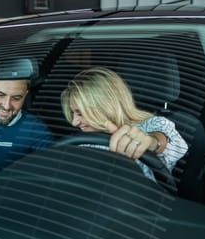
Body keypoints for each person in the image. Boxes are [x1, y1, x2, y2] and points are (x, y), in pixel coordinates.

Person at [60, 66, 188, 182]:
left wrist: (151, 142)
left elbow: (173, 144)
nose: (74, 122)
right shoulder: (80, 140)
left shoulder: (152, 125)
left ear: (105, 106)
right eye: (73, 113)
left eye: (80, 113)